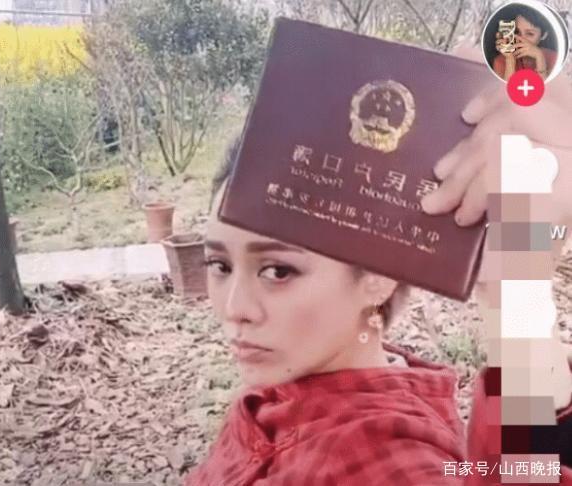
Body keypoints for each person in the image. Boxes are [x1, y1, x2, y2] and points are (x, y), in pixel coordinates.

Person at [184, 50, 572, 486]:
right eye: (219, 265)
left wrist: (519, 300)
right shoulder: (280, 387)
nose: (235, 309)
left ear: (378, 277)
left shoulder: (389, 463)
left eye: (278, 271)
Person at [491, 5, 558, 81]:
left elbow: (547, 87)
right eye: (517, 31)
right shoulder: (500, 61)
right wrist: (510, 60)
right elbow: (506, 88)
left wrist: (540, 58)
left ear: (544, 35)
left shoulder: (554, 59)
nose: (521, 39)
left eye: (529, 34)